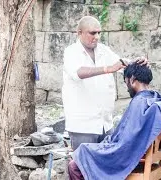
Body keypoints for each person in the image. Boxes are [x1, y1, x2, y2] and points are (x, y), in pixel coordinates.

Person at [68, 63, 161, 180]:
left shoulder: (139, 103)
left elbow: (124, 144)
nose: (127, 87)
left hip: (128, 159)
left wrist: (100, 146)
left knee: (75, 164)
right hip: (138, 155)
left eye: (126, 82)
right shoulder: (155, 98)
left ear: (132, 79)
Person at [62, 16, 147, 150]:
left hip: (105, 123)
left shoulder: (103, 50)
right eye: (92, 33)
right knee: (84, 168)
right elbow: (78, 73)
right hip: (83, 125)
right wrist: (108, 69)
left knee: (105, 167)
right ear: (79, 33)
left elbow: (122, 64)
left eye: (99, 33)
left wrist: (137, 62)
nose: (96, 37)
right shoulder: (71, 52)